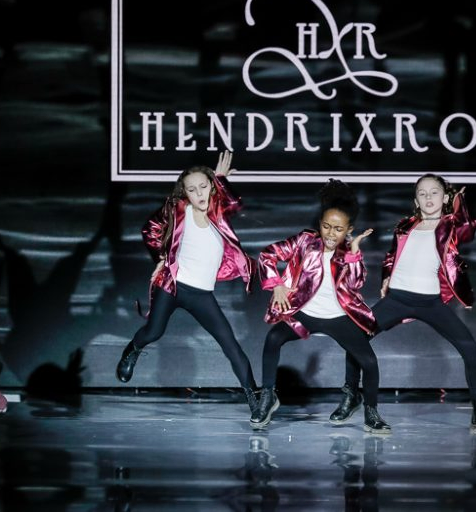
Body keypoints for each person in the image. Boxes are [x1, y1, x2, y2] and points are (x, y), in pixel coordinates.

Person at [336, 174, 476, 435]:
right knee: (355, 337)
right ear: (416, 201)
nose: (428, 197)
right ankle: (353, 397)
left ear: (445, 198)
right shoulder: (405, 225)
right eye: (422, 193)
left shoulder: (451, 226)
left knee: (470, 348)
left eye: (434, 192)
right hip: (397, 299)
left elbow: (468, 228)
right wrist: (387, 276)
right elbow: (392, 255)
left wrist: (460, 203)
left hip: (430, 302)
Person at [115, 152, 259, 415]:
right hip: (172, 286)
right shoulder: (179, 210)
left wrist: (221, 179)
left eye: (203, 186)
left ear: (212, 187)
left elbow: (236, 203)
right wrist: (161, 258)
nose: (199, 193)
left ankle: (255, 399)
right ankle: (132, 349)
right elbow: (150, 229)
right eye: (192, 190)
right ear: (185, 194)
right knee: (154, 332)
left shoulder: (220, 211)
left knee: (230, 345)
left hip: (201, 295)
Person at [257, 179, 390, 435]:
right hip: (305, 313)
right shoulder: (304, 241)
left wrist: (353, 252)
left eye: (338, 229)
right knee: (273, 339)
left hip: (338, 317)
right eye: (326, 226)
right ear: (320, 223)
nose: (330, 233)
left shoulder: (349, 253)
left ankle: (370, 412)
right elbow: (267, 255)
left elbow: (356, 283)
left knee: (369, 362)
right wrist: (276, 285)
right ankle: (268, 395)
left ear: (349, 230)